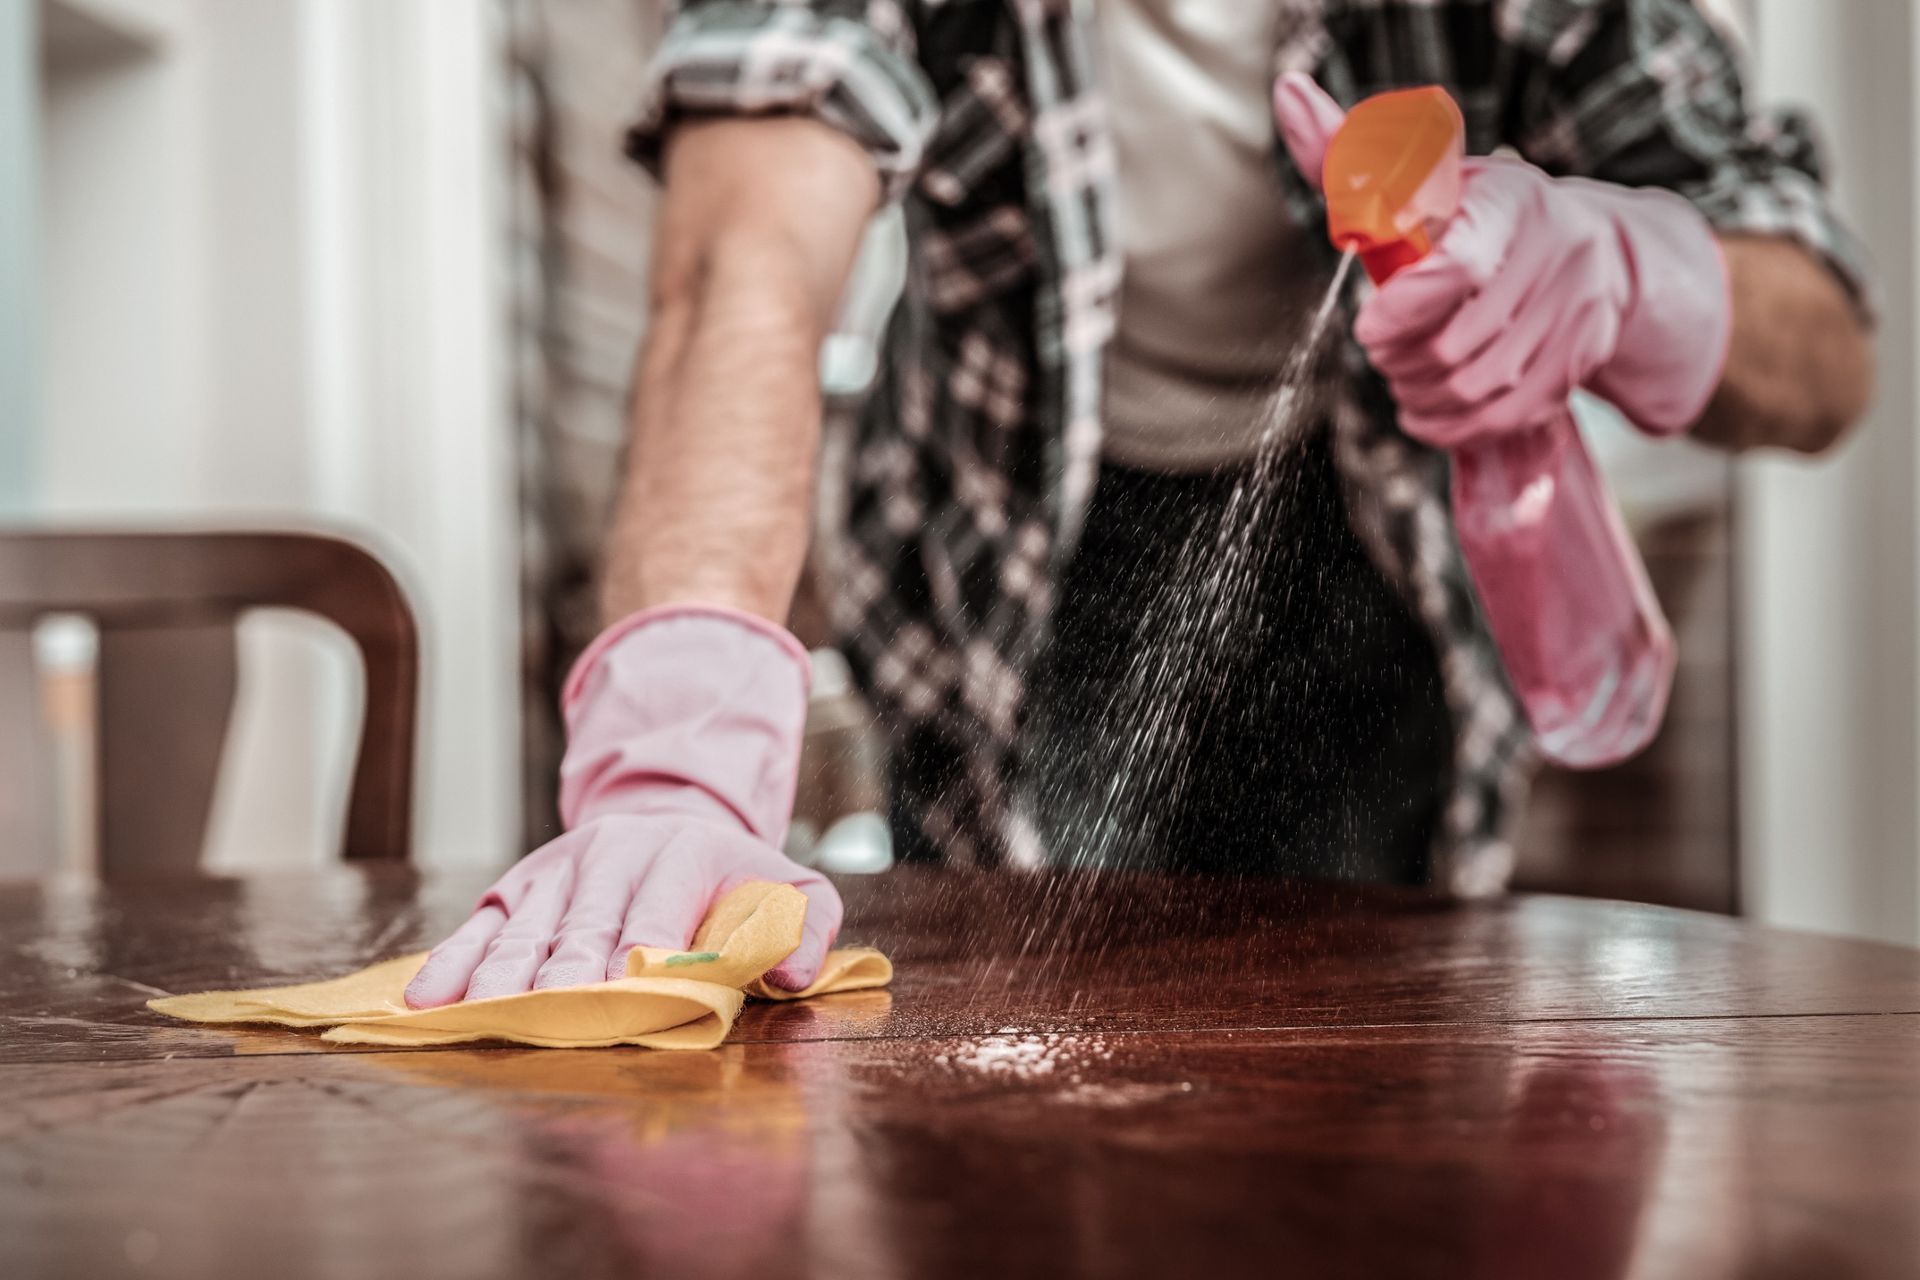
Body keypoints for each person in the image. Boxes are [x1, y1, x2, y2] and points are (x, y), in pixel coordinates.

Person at [404, 0, 1872, 1007]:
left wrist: (1634, 273)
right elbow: (745, 263)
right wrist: (677, 745)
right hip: (997, 549)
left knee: (1365, 1084)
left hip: (1371, 558)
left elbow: (1823, 355)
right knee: (988, 1096)